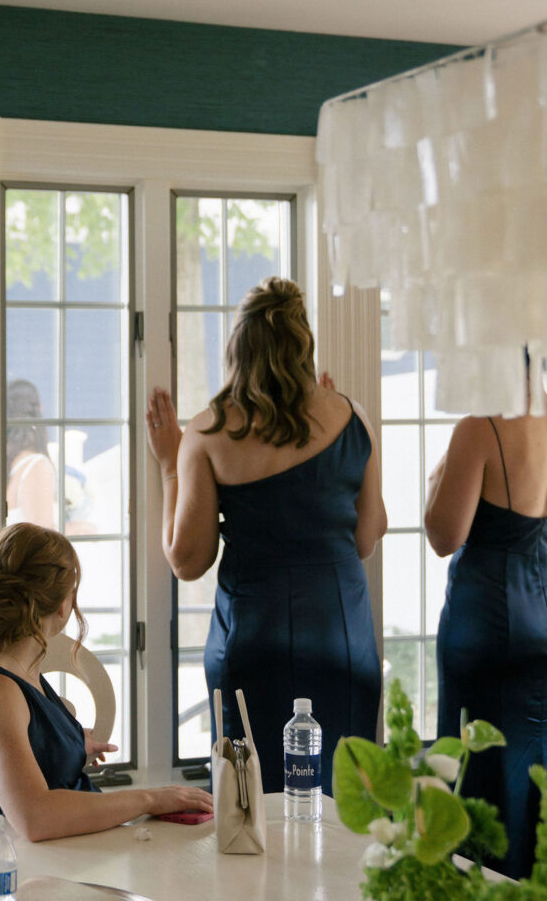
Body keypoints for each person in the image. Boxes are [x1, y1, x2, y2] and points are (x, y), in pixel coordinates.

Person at [145, 277, 386, 794]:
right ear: (304, 345)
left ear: (238, 348)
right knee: (347, 806)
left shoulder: (209, 433)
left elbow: (188, 561)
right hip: (342, 641)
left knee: (249, 811)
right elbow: (367, 538)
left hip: (254, 641)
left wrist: (170, 463)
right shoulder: (351, 415)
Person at [425, 371, 547, 900]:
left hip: (492, 623)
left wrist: (438, 475)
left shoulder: (480, 428)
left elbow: (442, 534)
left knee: (483, 771)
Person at [0, 521, 211, 839]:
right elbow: (36, 818)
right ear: (61, 605)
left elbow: (15, 742)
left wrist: (64, 745)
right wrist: (150, 798)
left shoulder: (9, 655)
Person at [6, 379, 56, 528]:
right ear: (39, 410)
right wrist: (77, 529)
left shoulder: (10, 466)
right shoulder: (35, 466)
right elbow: (42, 537)